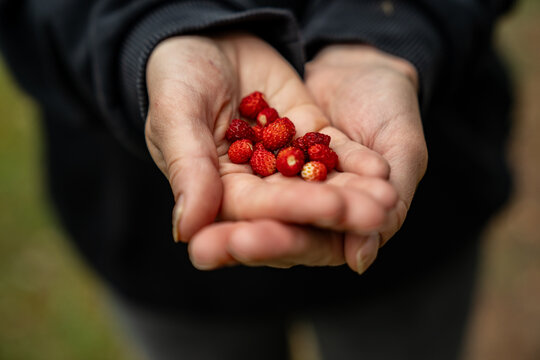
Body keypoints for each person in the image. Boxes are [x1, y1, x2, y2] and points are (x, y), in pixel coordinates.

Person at [0, 1, 515, 359]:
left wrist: (390, 25)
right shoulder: (265, 136)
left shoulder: (275, 137)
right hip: (145, 235)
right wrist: (152, 25)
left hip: (424, 226)